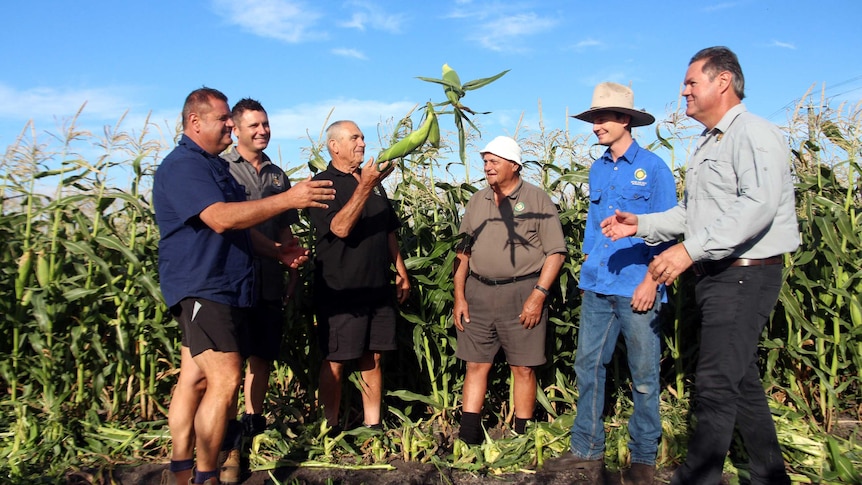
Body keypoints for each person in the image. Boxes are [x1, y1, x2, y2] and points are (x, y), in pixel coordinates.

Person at [601, 47, 799, 484]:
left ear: (723, 82)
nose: (683, 91)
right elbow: (693, 214)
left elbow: (758, 206)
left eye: (691, 83)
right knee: (740, 384)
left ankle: (697, 477)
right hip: (721, 275)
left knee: (713, 385)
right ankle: (770, 476)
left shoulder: (754, 134)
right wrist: (642, 224)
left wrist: (689, 251)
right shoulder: (709, 143)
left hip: (746, 272)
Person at [154, 87, 335, 485]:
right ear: (195, 122)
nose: (231, 125)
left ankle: (181, 472)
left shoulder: (215, 167)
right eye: (224, 120)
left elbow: (242, 229)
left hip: (230, 284)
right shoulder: (185, 166)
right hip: (205, 284)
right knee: (226, 378)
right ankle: (207, 475)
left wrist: (276, 253)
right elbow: (220, 218)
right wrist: (290, 199)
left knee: (197, 377)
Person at [543, 83, 677, 484]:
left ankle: (643, 458)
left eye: (602, 118)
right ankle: (586, 449)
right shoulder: (598, 168)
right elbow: (593, 224)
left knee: (644, 374)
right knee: (588, 365)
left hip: (639, 285)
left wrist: (653, 281)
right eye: (593, 118)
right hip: (599, 284)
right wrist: (588, 268)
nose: (595, 125)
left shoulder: (654, 169)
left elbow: (669, 232)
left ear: (624, 120)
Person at [452, 136, 566, 445]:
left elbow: (556, 252)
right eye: (485, 162)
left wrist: (538, 296)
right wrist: (459, 297)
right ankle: (469, 435)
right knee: (476, 364)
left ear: (514, 166)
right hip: (478, 293)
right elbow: (462, 253)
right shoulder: (477, 200)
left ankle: (521, 435)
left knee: (523, 367)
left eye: (494, 162)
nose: (487, 167)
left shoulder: (537, 199)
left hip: (522, 293)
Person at [216, 98, 301, 483]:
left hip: (269, 277)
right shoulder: (222, 170)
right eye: (254, 125)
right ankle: (227, 443)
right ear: (235, 129)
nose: (262, 131)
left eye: (265, 124)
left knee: (262, 358)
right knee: (230, 367)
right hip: (231, 279)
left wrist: (294, 261)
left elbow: (284, 227)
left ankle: (251, 429)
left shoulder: (277, 175)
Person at [307, 120, 410, 433]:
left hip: (377, 287)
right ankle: (331, 426)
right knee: (337, 359)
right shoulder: (322, 183)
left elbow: (386, 228)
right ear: (334, 146)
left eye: (363, 137)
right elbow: (339, 228)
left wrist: (401, 269)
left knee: (374, 357)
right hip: (342, 291)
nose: (362, 143)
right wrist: (365, 185)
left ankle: (373, 424)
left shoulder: (372, 182)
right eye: (355, 138)